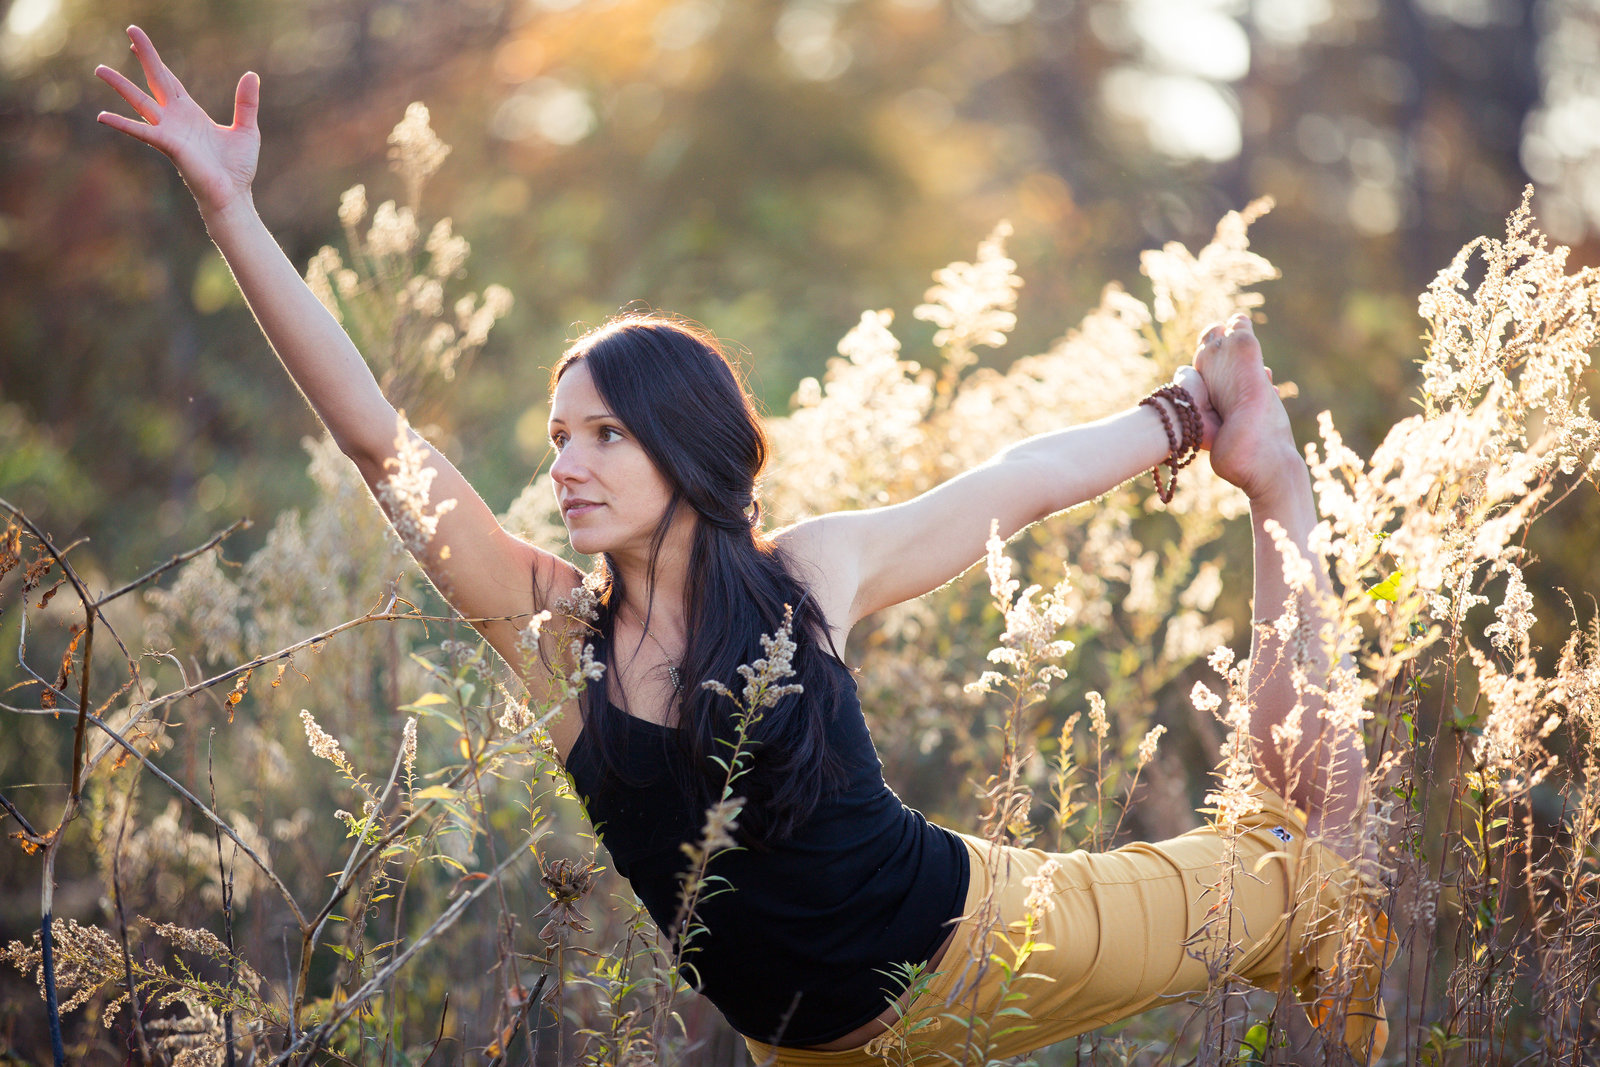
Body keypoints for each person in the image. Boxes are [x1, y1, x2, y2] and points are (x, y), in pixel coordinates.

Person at [96, 26, 1389, 1065]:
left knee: (1308, 876)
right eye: (556, 438)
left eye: (603, 435)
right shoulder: (555, 642)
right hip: (807, 1053)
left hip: (993, 939)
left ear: (686, 448)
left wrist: (1185, 419)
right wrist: (234, 215)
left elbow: (1017, 485)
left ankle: (1277, 486)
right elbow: (383, 446)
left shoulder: (806, 578)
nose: (565, 465)